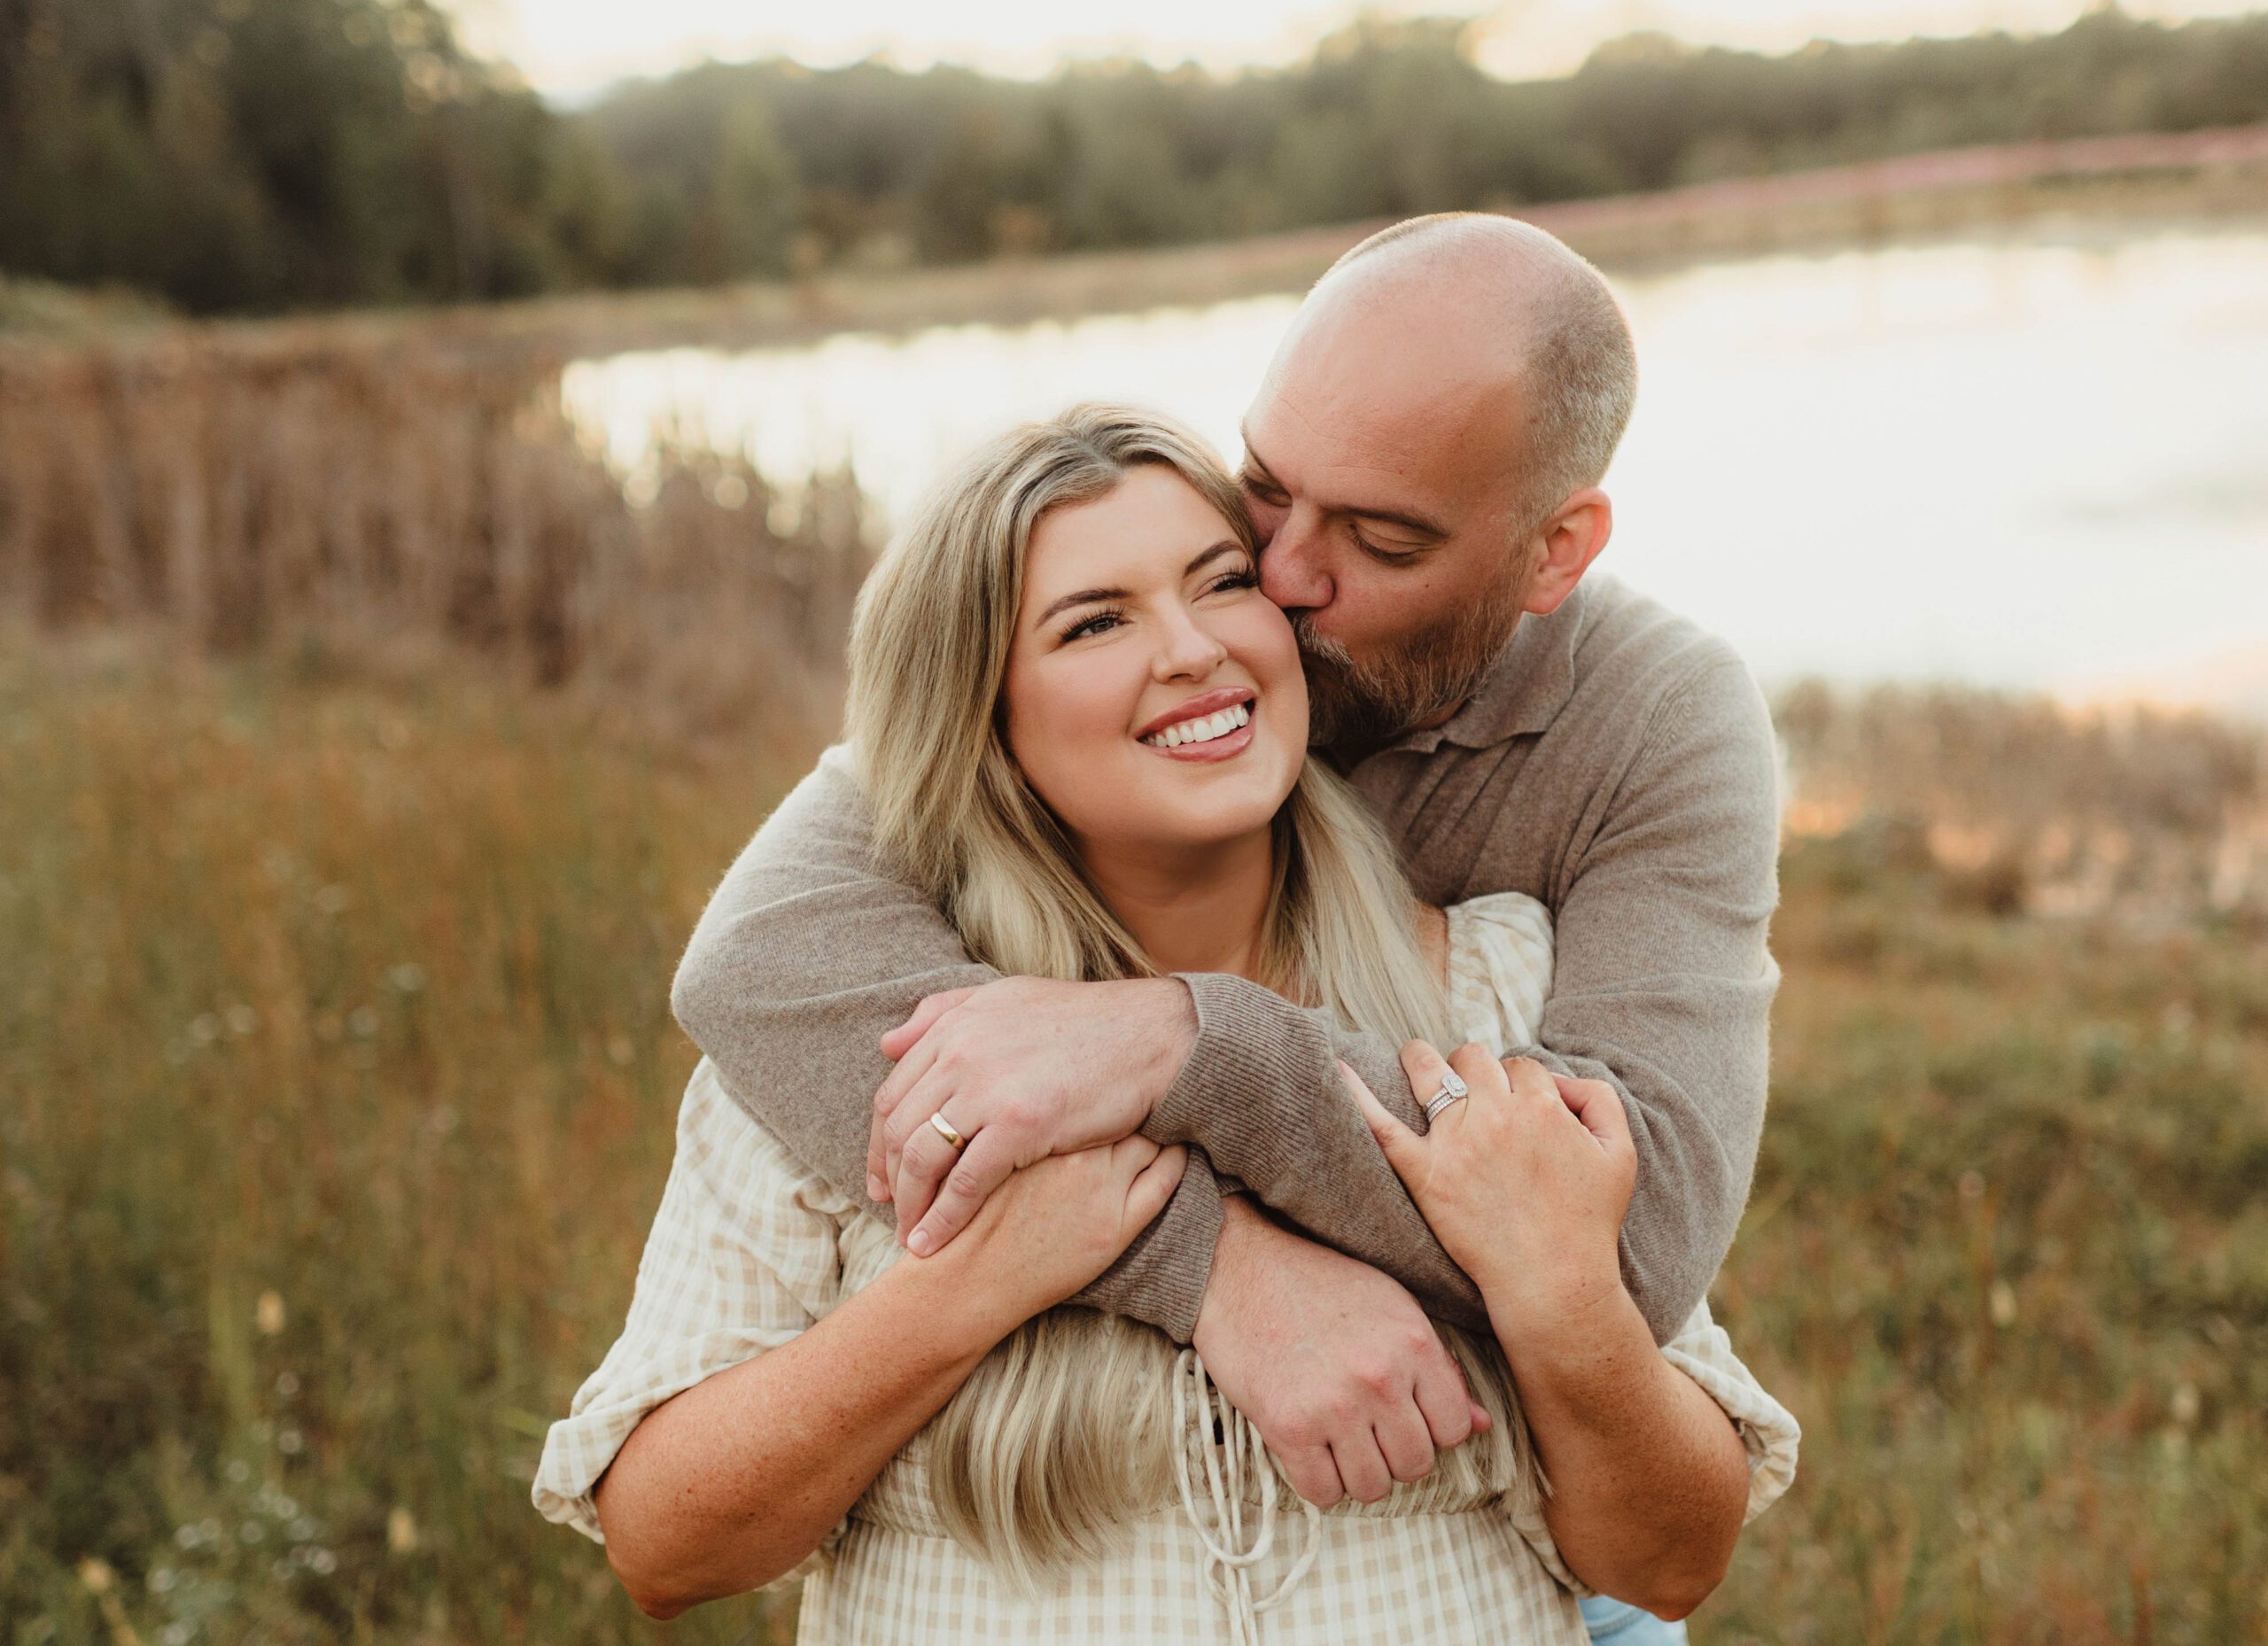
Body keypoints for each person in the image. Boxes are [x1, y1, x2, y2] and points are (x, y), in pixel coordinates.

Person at [534, 408, 1796, 1642]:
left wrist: (1564, 1295)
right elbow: (664, 1546)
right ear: (986, 717)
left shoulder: (1498, 986)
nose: (1193, 649)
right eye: (1095, 622)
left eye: (1224, 583)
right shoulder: (879, 1027)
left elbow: (1671, 1559)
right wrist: (984, 1273)